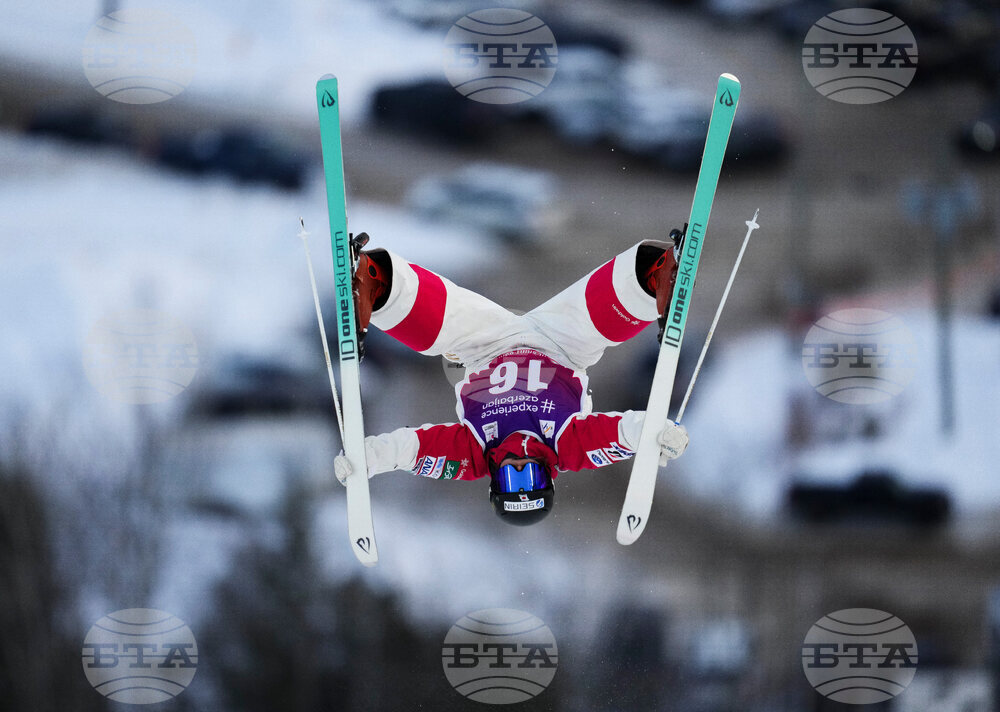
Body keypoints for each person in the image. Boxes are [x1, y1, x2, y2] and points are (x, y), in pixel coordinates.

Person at [333, 236, 690, 525]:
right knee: (595, 322)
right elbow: (621, 434)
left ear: (494, 482)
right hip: (560, 345)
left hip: (486, 346)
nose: (519, 467)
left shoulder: (472, 454)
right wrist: (656, 435)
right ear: (547, 478)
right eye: (530, 479)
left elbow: (410, 450)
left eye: (512, 481)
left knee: (442, 328)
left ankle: (374, 280)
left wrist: (367, 459)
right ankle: (653, 275)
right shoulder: (567, 447)